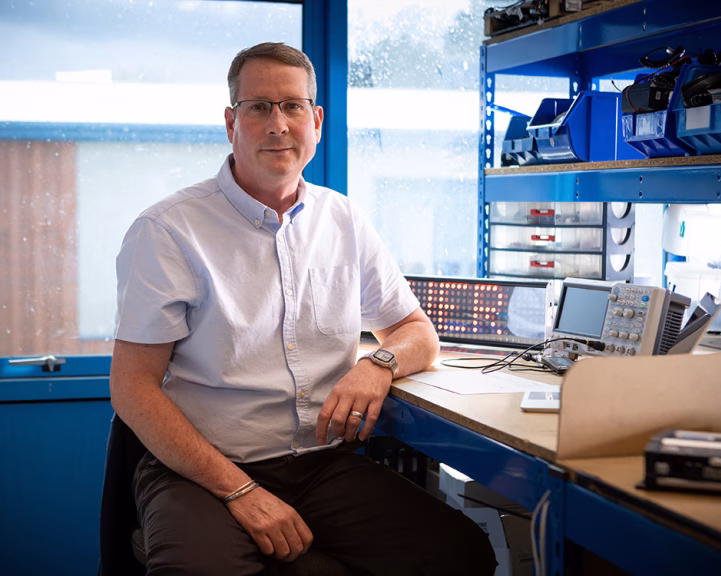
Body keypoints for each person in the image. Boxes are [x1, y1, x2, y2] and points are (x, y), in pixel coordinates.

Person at [111, 42, 497, 575]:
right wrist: (240, 491)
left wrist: (376, 365)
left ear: (315, 120)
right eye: (259, 107)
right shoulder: (168, 231)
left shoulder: (343, 220)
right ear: (231, 122)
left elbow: (414, 331)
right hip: (202, 472)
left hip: (320, 467)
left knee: (462, 555)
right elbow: (132, 386)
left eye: (293, 106)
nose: (278, 124)